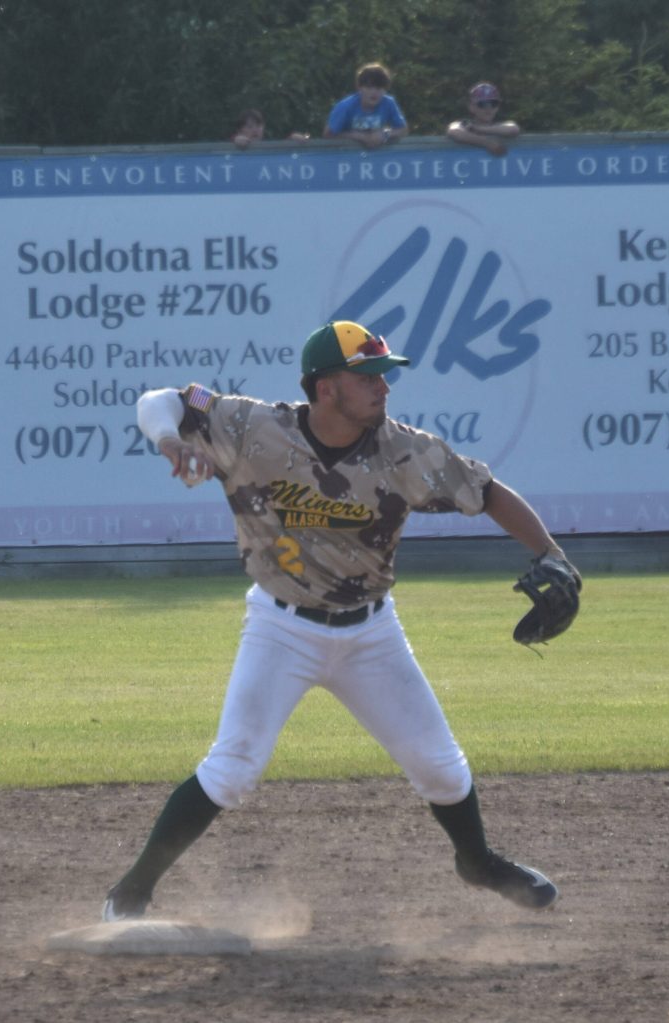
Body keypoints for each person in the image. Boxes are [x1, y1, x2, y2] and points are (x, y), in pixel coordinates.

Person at [102, 320, 580, 923]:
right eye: (368, 376)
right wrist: (172, 440)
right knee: (233, 767)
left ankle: (477, 863)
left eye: (384, 375)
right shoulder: (251, 424)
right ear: (327, 388)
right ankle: (130, 892)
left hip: (371, 633)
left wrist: (552, 556)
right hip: (281, 627)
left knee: (440, 765)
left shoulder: (405, 449)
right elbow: (161, 401)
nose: (384, 387)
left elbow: (487, 492)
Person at [323, 62, 408, 149]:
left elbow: (403, 130)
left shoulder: (389, 103)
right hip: (346, 154)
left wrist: (385, 134)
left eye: (378, 88)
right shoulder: (345, 106)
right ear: (359, 88)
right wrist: (360, 137)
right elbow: (328, 134)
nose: (374, 92)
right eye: (369, 87)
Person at [447, 82, 520, 157]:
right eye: (482, 104)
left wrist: (478, 129)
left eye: (493, 103)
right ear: (471, 107)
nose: (488, 108)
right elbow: (454, 131)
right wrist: (487, 143)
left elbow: (513, 129)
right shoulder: (464, 125)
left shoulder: (498, 126)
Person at [231, 108, 310, 149]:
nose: (255, 130)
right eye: (250, 126)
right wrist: (235, 140)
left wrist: (293, 139)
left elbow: (281, 153)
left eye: (259, 126)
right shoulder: (229, 148)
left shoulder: (269, 149)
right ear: (239, 130)